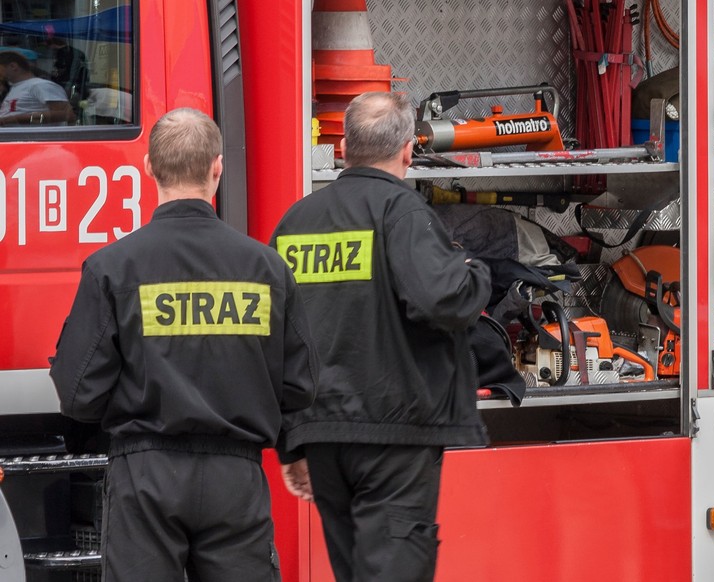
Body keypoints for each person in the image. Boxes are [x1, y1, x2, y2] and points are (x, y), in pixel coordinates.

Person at [49, 108, 319, 582]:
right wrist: (291, 447)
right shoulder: (267, 269)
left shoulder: (111, 267)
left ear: (150, 167)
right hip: (236, 478)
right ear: (218, 167)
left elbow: (78, 397)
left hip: (145, 475)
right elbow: (298, 387)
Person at [271, 91, 491, 582]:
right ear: (410, 150)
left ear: (344, 148)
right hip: (395, 437)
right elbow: (441, 300)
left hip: (324, 440)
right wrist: (475, 273)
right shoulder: (402, 214)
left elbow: (273, 340)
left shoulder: (294, 224)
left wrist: (294, 442)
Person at [0, 52, 72, 126]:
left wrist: (13, 119)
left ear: (13, 66)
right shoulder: (15, 88)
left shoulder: (40, 85)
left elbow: (66, 114)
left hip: (36, 136)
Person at [48, 36, 89, 100]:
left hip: (65, 83)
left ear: (53, 44)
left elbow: (60, 68)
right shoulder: (78, 52)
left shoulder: (61, 53)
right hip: (80, 83)